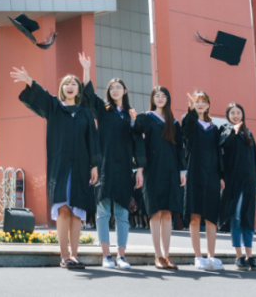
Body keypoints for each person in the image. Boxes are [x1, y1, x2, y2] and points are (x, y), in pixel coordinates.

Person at [12, 60, 100, 269]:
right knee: (63, 210)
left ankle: (75, 255)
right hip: (60, 168)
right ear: (63, 89)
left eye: (74, 84)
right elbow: (41, 95)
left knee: (77, 212)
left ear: (78, 89)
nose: (70, 86)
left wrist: (94, 166)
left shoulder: (85, 113)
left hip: (80, 167)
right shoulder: (54, 108)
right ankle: (64, 256)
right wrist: (30, 81)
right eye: (66, 83)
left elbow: (93, 140)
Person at [79, 52, 145, 269]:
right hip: (105, 168)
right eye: (111, 88)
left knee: (123, 214)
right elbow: (87, 93)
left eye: (118, 87)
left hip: (125, 169)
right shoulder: (103, 110)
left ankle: (122, 256)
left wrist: (140, 170)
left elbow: (138, 142)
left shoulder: (130, 114)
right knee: (103, 213)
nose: (115, 90)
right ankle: (106, 256)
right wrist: (87, 69)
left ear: (124, 91)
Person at [134, 86, 186, 271]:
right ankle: (157, 256)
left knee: (168, 213)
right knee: (155, 212)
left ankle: (167, 255)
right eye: (157, 95)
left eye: (164, 96)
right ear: (152, 99)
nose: (161, 98)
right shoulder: (146, 118)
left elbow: (180, 148)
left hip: (171, 170)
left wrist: (183, 170)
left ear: (168, 99)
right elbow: (135, 133)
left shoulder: (174, 122)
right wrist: (133, 118)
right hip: (153, 170)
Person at [181, 91, 225, 271]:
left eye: (203, 101)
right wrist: (190, 110)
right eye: (197, 102)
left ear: (208, 105)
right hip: (194, 175)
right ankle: (198, 256)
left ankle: (211, 257)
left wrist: (221, 175)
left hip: (212, 176)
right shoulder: (190, 122)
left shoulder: (214, 128)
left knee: (211, 218)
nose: (200, 104)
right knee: (195, 216)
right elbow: (185, 131)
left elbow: (219, 154)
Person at [220, 102, 256, 270]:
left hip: (249, 183)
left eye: (238, 112)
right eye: (232, 113)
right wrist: (233, 132)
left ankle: (250, 256)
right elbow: (222, 149)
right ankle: (239, 257)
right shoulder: (225, 130)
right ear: (228, 116)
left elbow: (254, 160)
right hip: (234, 182)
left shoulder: (249, 134)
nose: (236, 115)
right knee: (236, 218)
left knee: (247, 218)